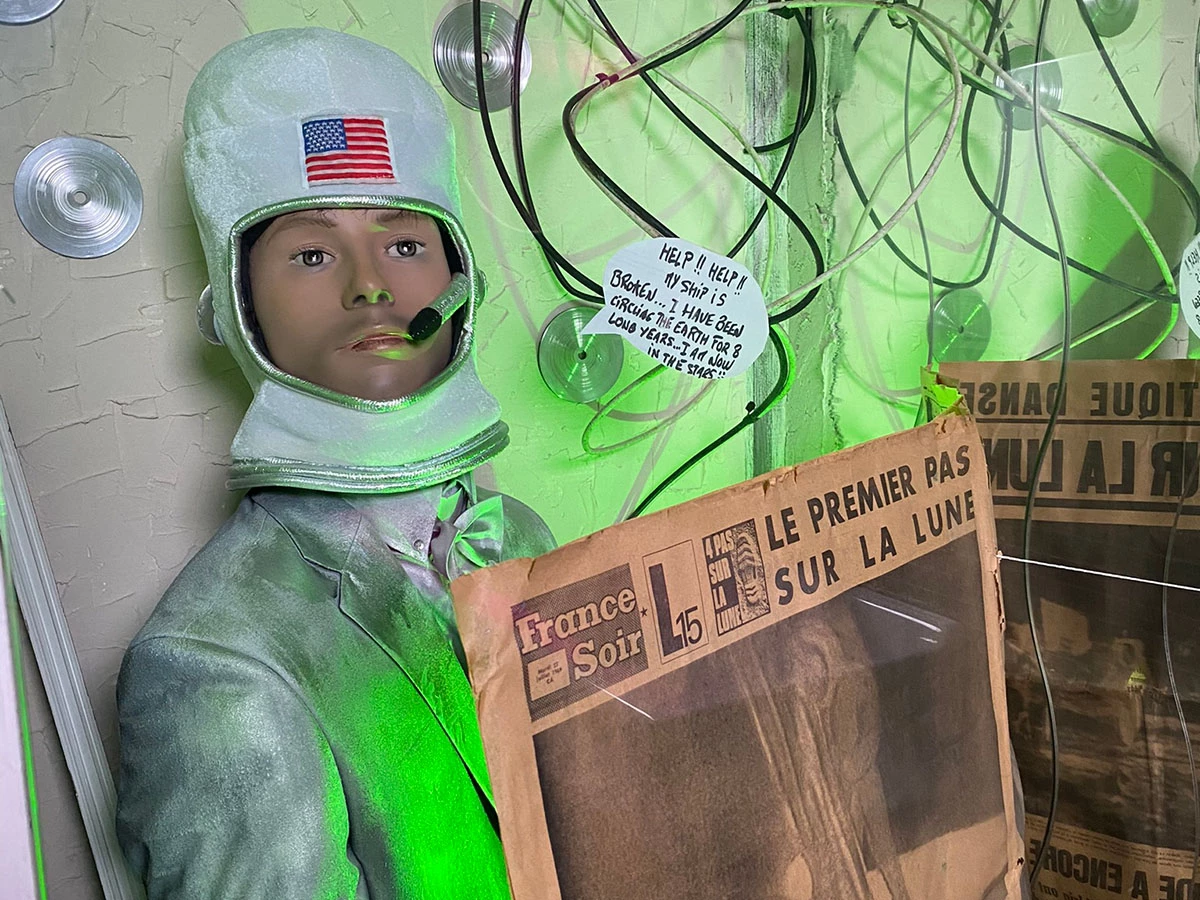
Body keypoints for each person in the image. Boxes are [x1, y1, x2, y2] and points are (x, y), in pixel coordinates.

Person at [114, 28, 554, 900]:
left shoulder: (517, 534)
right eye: (312, 254)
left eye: (405, 245)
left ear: (460, 277)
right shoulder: (212, 661)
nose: (369, 286)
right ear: (236, 304)